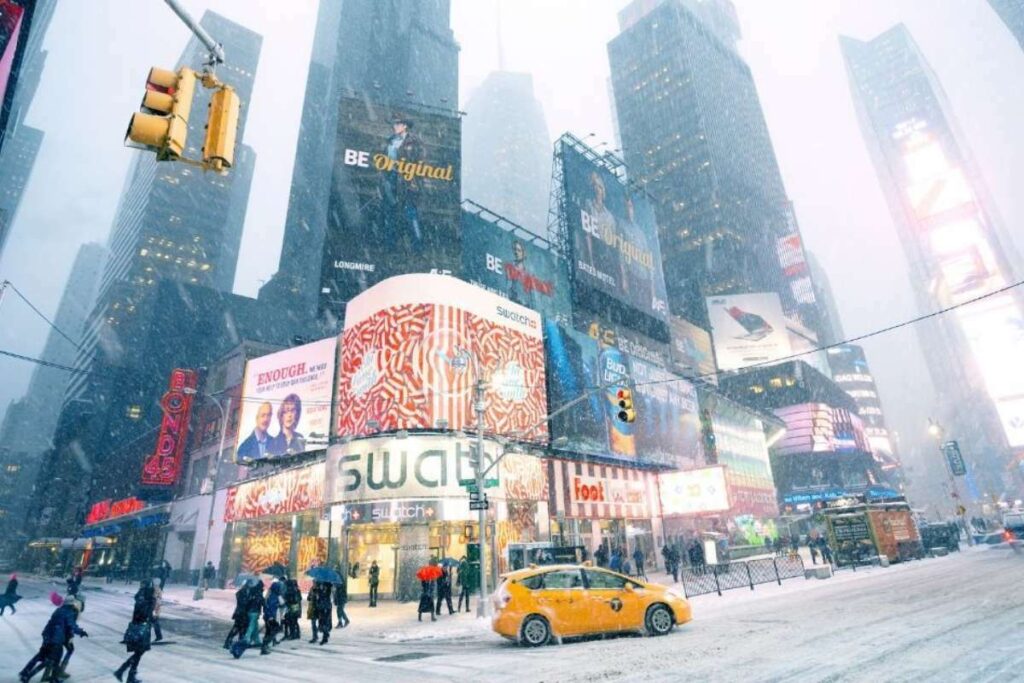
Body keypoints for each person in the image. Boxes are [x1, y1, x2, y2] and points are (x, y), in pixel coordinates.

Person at [19, 593, 87, 683]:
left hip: (47, 635)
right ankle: (51, 678)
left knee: (42, 655)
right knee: (54, 658)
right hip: (56, 638)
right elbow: (71, 626)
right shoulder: (70, 612)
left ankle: (25, 673)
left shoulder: (59, 610)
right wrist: (81, 632)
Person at [380, 114, 424, 244]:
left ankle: (417, 244)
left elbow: (421, 162)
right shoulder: (390, 141)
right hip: (390, 178)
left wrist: (414, 180)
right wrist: (384, 179)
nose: (395, 126)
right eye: (394, 124)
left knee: (411, 212)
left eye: (398, 124)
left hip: (407, 179)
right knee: (390, 210)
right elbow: (383, 161)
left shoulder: (415, 141)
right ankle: (390, 243)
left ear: (405, 126)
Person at [114, 585, 153, 683]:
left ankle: (128, 675)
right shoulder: (144, 602)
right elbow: (144, 615)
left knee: (138, 653)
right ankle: (123, 672)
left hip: (137, 630)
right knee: (139, 653)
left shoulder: (141, 600)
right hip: (140, 631)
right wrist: (152, 604)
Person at [223, 581, 251, 649]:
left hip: (242, 614)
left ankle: (236, 643)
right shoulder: (243, 592)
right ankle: (229, 642)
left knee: (241, 630)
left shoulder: (246, 592)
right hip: (241, 614)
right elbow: (243, 602)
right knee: (237, 629)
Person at [260, 580, 282, 655]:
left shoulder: (271, 595)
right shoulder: (273, 597)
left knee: (269, 631)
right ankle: (265, 645)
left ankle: (264, 647)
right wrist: (270, 616)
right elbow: (269, 607)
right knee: (275, 629)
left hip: (268, 616)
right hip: (270, 617)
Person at [244, 579, 265, 646]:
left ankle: (257, 640)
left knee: (255, 626)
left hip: (249, 611)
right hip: (254, 612)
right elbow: (261, 602)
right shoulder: (258, 593)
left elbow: (248, 601)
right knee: (251, 626)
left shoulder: (252, 591)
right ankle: (246, 639)